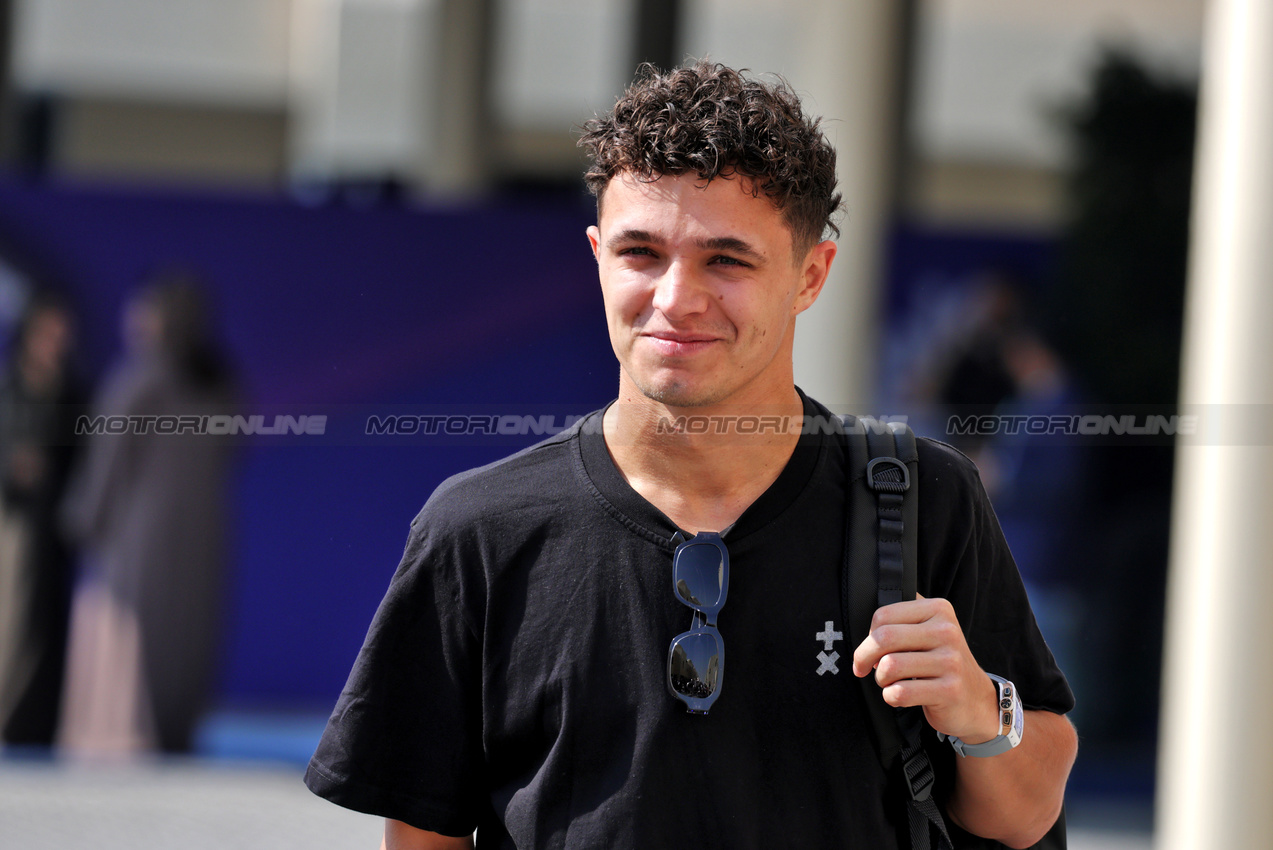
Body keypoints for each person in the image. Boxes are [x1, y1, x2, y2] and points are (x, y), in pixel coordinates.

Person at [305, 61, 1077, 849]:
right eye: (641, 252)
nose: (675, 298)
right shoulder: (479, 528)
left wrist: (983, 711)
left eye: (726, 259)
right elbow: (422, 835)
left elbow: (1023, 816)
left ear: (810, 275)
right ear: (597, 254)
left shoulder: (923, 499)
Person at [59, 272, 236, 755]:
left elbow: (109, 463)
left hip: (139, 536)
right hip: (203, 535)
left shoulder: (138, 380)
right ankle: (175, 732)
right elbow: (232, 449)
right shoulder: (219, 382)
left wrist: (86, 520)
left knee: (136, 633)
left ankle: (133, 735)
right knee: (187, 639)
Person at [0, 293, 83, 747]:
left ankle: (34, 726)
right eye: (49, 333)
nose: (57, 343)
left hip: (55, 534)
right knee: (10, 625)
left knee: (49, 632)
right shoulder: (10, 391)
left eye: (63, 335)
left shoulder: (74, 396)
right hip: (12, 527)